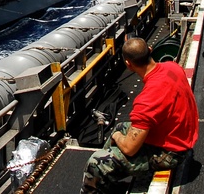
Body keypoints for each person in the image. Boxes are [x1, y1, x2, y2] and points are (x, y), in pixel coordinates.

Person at [81, 38, 198, 193]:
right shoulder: (172, 67)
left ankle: (101, 179)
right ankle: (108, 179)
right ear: (150, 50)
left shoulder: (146, 100)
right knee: (121, 127)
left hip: (171, 154)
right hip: (180, 136)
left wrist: (116, 136)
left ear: (128, 64)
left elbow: (129, 149)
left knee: (95, 162)